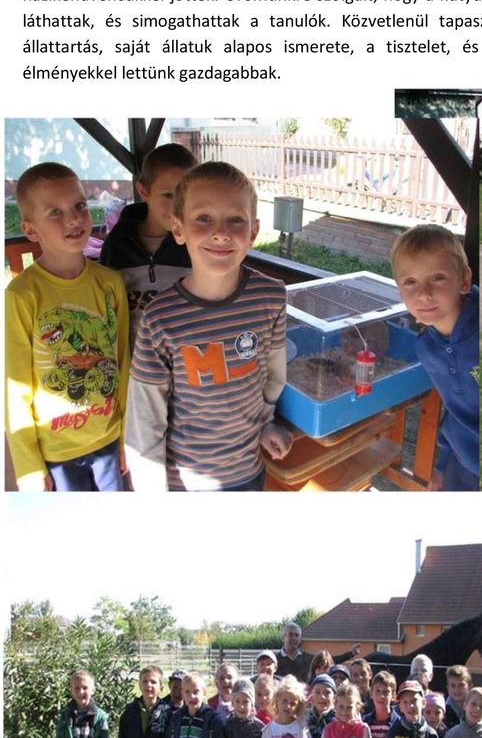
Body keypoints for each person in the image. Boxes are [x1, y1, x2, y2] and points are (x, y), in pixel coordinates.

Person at [124, 161, 292, 491]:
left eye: (236, 219)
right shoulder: (158, 319)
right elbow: (146, 417)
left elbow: (272, 375)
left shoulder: (271, 296)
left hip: (248, 472)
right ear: (178, 229)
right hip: (185, 483)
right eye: (203, 218)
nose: (221, 232)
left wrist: (266, 425)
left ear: (253, 231)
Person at [6, 163, 129, 491]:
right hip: (55, 452)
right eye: (55, 213)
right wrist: (28, 466)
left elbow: (123, 362)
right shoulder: (20, 296)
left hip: (108, 438)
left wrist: (127, 436)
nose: (74, 219)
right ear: (31, 230)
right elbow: (14, 388)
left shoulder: (110, 284)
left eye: (79, 206)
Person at [391, 223, 479, 491]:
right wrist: (441, 468)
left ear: (464, 280)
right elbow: (456, 412)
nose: (424, 293)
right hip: (462, 467)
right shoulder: (427, 349)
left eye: (437, 277)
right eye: (410, 282)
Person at [99, 142, 198, 343]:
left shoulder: (197, 244)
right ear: (144, 191)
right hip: (134, 362)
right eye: (168, 195)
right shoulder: (117, 246)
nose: (178, 206)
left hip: (185, 360)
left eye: (186, 195)